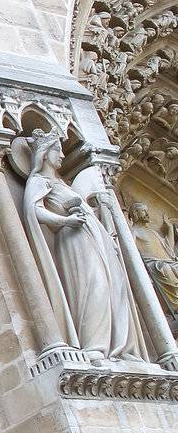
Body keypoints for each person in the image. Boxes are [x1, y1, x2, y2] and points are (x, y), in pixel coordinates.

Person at [17, 128, 142, 362]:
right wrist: (66, 221)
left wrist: (101, 209)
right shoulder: (38, 181)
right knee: (94, 287)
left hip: (93, 236)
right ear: (45, 154)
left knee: (114, 287)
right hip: (74, 240)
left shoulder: (62, 182)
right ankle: (95, 345)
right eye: (57, 151)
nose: (63, 156)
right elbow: (35, 211)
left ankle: (120, 347)